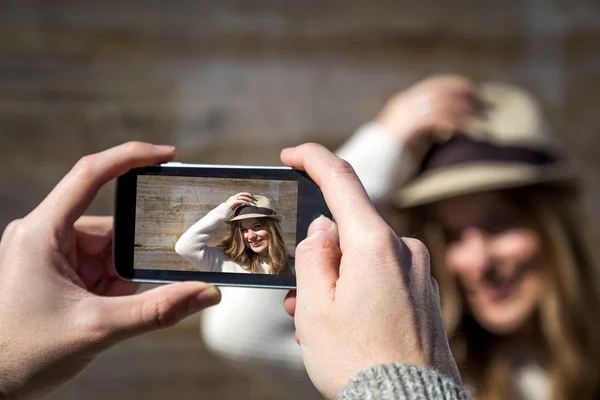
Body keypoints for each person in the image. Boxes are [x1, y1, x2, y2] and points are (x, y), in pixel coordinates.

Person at [0, 141, 468, 400]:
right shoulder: (224, 258)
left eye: (260, 225)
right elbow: (186, 244)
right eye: (245, 228)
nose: (254, 234)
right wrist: (225, 209)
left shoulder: (291, 260)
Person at [337, 75, 600, 399]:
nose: (478, 262)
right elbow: (255, 325)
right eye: (452, 237)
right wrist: (389, 136)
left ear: (554, 227)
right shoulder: (426, 370)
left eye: (499, 224)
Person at [175, 192, 293, 275]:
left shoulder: (294, 267)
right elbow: (185, 247)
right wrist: (225, 209)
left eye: (257, 227)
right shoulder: (224, 261)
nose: (250, 236)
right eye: (243, 230)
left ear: (272, 228)